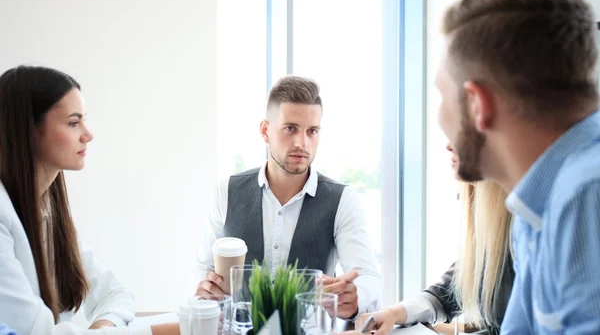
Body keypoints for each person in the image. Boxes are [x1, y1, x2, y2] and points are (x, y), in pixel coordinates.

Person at [435, 0, 600, 333]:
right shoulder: (533, 205)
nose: (439, 119)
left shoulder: (586, 192)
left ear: (478, 104)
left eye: (442, 94)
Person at [0, 66, 178, 334]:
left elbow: (115, 294)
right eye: (73, 122)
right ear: (29, 131)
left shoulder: (48, 209)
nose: (88, 134)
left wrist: (101, 330)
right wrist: (165, 331)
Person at [194, 75, 382, 319]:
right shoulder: (226, 192)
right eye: (290, 128)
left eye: (312, 131)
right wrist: (203, 290)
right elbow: (204, 268)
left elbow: (368, 277)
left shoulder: (343, 200)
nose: (301, 143)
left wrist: (355, 296)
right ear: (265, 131)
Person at [347, 145, 514, 335]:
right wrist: (392, 314)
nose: (449, 145)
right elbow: (445, 295)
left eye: (461, 131)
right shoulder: (492, 226)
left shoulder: (524, 228)